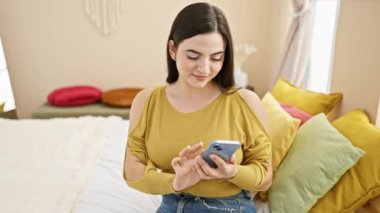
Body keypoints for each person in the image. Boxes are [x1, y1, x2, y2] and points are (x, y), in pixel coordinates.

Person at [123, 2, 272, 212]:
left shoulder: (245, 102)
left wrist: (232, 172)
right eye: (193, 56)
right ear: (173, 49)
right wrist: (175, 182)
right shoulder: (146, 102)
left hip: (229, 206)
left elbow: (265, 176)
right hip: (171, 204)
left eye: (216, 58)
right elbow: (132, 170)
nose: (204, 68)